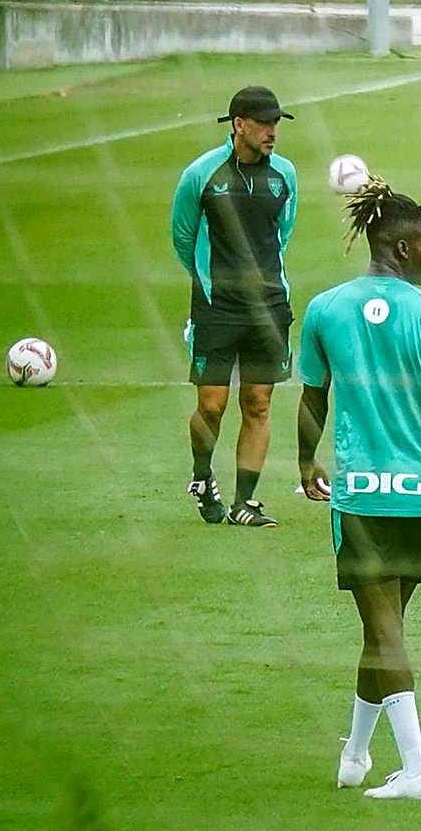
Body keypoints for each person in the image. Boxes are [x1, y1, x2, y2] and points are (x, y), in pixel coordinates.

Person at [296, 178, 421, 800]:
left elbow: (313, 395)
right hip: (419, 496)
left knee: (386, 632)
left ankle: (417, 771)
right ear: (403, 249)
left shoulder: (326, 307)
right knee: (382, 630)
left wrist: (305, 460)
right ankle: (354, 755)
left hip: (360, 498)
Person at [171, 86, 299, 526]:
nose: (272, 132)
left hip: (269, 308)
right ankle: (203, 477)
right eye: (264, 123)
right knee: (211, 405)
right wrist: (212, 281)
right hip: (216, 309)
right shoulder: (201, 175)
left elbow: (282, 233)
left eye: (276, 123)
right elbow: (183, 238)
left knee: (258, 403)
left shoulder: (284, 175)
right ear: (239, 125)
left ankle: (245, 502)